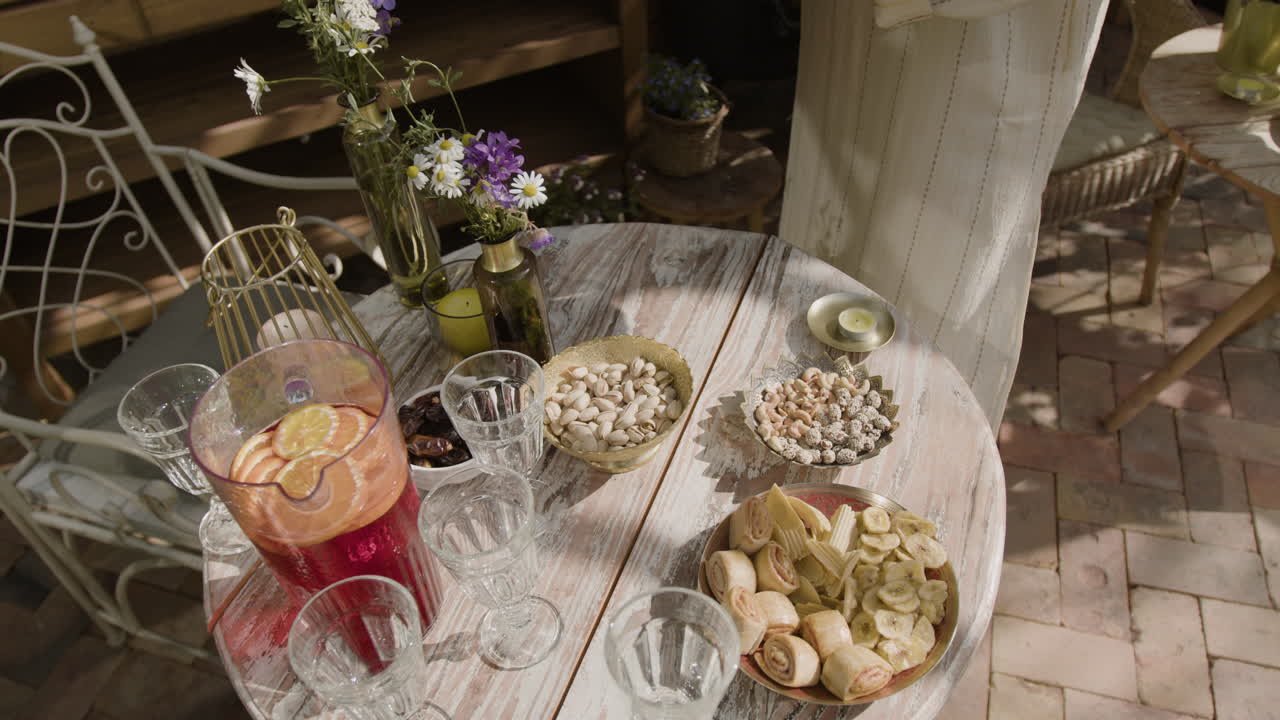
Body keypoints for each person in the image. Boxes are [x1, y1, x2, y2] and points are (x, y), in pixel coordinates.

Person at [780, 0, 1109, 430]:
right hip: (855, 25)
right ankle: (799, 405)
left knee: (943, 262)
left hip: (992, 40)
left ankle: (919, 433)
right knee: (828, 211)